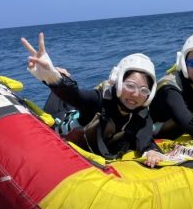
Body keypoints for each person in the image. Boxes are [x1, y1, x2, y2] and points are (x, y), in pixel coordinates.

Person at [21, 32, 164, 167]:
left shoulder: (142, 114)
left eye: (144, 90)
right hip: (62, 121)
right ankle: (61, 75)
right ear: (117, 81)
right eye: (130, 86)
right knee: (65, 95)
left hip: (82, 124)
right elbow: (75, 96)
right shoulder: (98, 101)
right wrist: (51, 76)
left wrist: (152, 151)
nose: (136, 94)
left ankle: (63, 77)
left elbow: (145, 139)